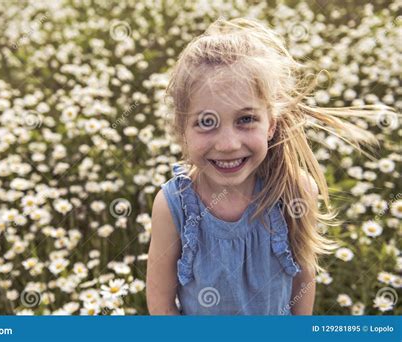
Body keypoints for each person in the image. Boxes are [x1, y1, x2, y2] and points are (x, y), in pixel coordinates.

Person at [146, 17, 393, 315]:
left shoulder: (294, 192)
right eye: (206, 122)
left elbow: (303, 281)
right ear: (181, 130)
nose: (228, 144)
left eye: (246, 119)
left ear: (271, 125)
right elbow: (160, 305)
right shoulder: (173, 206)